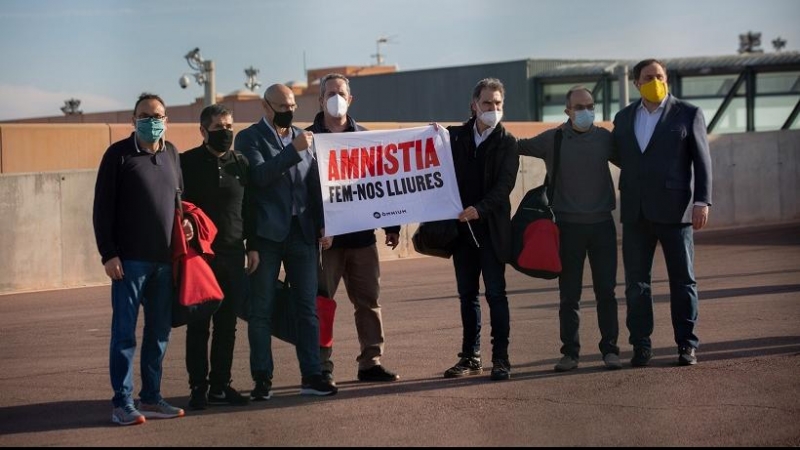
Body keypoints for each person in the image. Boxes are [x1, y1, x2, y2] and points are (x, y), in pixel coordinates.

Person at [234, 84, 337, 399]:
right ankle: (262, 379)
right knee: (261, 309)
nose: (288, 110)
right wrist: (293, 151)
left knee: (307, 308)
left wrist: (324, 224)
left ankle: (312, 375)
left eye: (292, 104)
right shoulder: (249, 138)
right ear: (266, 107)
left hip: (302, 234)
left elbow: (313, 186)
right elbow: (259, 177)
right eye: (281, 105)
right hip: (267, 236)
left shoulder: (303, 137)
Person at [93, 93, 189, 425]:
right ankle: (122, 402)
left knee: (159, 333)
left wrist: (185, 229)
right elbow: (102, 209)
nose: (152, 121)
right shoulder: (118, 155)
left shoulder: (173, 154)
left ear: (167, 119)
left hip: (164, 263)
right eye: (145, 115)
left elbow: (179, 203)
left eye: (158, 115)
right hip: (128, 263)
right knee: (124, 334)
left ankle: (150, 397)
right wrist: (109, 253)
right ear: (133, 121)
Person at [611, 59, 712, 367]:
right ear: (636, 83)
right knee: (636, 284)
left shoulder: (688, 113)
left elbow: (702, 161)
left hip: (676, 211)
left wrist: (702, 201)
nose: (655, 81)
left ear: (667, 80)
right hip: (636, 212)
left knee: (683, 281)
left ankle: (686, 344)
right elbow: (620, 155)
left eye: (659, 76)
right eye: (648, 77)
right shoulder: (624, 116)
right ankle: (641, 345)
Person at [305, 73, 401, 385]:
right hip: (326, 241)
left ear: (351, 99)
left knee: (368, 303)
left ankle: (370, 361)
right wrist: (319, 225)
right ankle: (321, 366)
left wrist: (391, 225)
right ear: (320, 100)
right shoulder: (307, 141)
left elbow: (382, 186)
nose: (336, 98)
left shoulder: (367, 139)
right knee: (322, 304)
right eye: (330, 93)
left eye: (341, 92)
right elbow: (301, 191)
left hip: (361, 239)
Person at [517, 86, 621, 372]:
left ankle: (610, 349)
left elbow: (633, 161)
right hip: (567, 227)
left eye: (589, 106)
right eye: (579, 107)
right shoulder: (554, 139)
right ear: (567, 111)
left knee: (607, 292)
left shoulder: (605, 139)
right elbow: (517, 145)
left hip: (602, 226)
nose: (586, 112)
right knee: (569, 295)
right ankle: (570, 353)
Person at [180, 104, 259, 409]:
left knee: (228, 324)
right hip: (200, 258)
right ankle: (198, 387)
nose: (225, 133)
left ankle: (220, 386)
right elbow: (178, 206)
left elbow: (249, 208)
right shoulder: (187, 163)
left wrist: (251, 246)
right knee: (199, 325)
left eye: (229, 127)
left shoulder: (240, 162)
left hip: (233, 255)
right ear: (203, 132)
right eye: (218, 128)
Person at [443, 78, 519, 381]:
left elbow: (505, 187)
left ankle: (501, 358)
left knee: (497, 295)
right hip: (461, 233)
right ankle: (470, 356)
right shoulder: (454, 137)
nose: (493, 108)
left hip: (491, 231)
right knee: (467, 296)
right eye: (488, 103)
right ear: (474, 105)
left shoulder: (507, 142)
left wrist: (480, 209)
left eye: (498, 103)